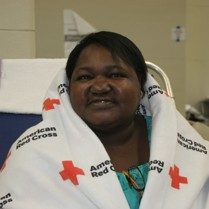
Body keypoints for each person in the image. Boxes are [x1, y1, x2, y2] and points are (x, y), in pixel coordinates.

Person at [0, 31, 209, 209]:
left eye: (116, 75)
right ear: (68, 90)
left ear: (142, 87)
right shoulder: (35, 153)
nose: (100, 86)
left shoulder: (184, 149)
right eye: (84, 77)